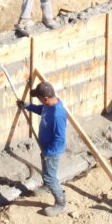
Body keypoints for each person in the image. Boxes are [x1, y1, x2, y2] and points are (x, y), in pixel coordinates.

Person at [17, 81, 68, 216]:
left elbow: (60, 139)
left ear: (45, 98)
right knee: (46, 172)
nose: (38, 99)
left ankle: (61, 203)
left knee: (50, 176)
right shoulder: (48, 105)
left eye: (38, 98)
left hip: (52, 151)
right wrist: (28, 106)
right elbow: (42, 110)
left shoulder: (58, 115)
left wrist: (48, 152)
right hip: (46, 147)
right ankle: (47, 187)